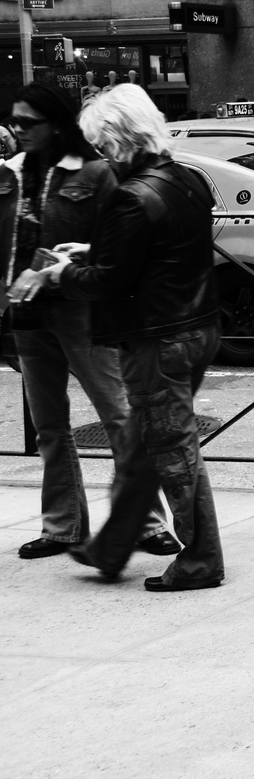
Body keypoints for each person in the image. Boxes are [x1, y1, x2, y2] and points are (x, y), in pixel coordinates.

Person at [40, 85, 225, 592]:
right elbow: (159, 250)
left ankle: (201, 558)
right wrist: (94, 248)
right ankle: (112, 546)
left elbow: (107, 280)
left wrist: (60, 275)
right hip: (198, 327)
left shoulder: (129, 196)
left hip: (155, 342)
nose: (100, 154)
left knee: (172, 452)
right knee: (151, 447)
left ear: (119, 139)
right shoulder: (187, 178)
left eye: (102, 144)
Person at [3, 84, 170, 560]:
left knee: (119, 417)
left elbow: (118, 246)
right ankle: (62, 526)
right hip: (27, 314)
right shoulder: (11, 174)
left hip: (82, 313)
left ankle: (146, 523)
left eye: (27, 122)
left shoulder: (96, 173)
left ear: (55, 125)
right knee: (48, 426)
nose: (18, 130)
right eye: (14, 122)